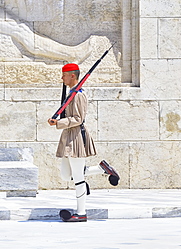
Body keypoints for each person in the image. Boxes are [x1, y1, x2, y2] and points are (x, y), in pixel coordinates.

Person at [48, 63, 119, 222]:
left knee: (78, 177)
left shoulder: (79, 95)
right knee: (66, 175)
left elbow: (78, 119)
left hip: (76, 138)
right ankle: (102, 169)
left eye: (64, 75)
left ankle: (81, 213)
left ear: (72, 75)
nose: (62, 78)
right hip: (68, 136)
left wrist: (58, 123)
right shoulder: (72, 93)